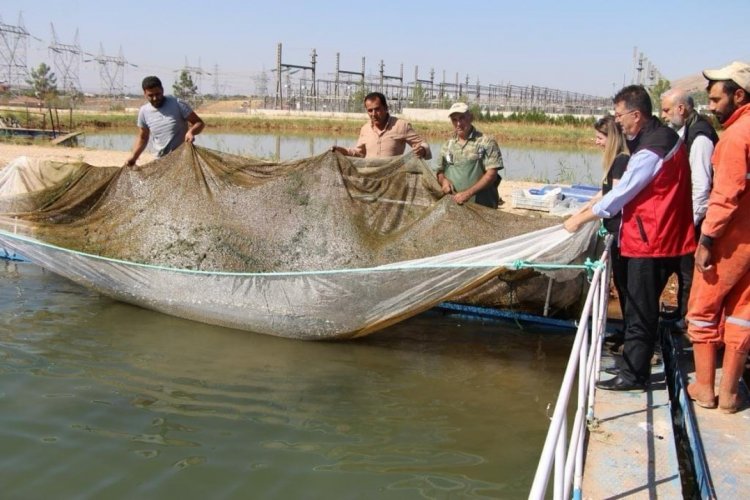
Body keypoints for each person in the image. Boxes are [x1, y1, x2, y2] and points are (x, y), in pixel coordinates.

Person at [564, 85, 695, 391]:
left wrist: (581, 218)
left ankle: (634, 375)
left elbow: (621, 194)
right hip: (652, 236)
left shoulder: (653, 148)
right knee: (640, 307)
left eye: (620, 115)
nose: (617, 121)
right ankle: (633, 367)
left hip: (651, 240)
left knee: (640, 308)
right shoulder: (656, 138)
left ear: (637, 115)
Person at [686, 61, 750, 414]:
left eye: (714, 100)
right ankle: (730, 396)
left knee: (703, 311)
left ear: (738, 95)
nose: (710, 107)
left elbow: (725, 194)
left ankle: (706, 389)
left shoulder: (737, 137)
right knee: (743, 314)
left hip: (732, 240)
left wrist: (707, 239)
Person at [660, 89, 719, 328]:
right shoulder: (687, 132)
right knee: (681, 267)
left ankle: (688, 319)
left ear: (681, 109)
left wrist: (687, 222)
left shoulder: (700, 137)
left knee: (688, 271)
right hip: (690, 216)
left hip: (698, 218)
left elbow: (701, 188)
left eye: (666, 110)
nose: (663, 115)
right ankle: (682, 313)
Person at [573, 116, 630, 350]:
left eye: (599, 137)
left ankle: (631, 336)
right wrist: (584, 207)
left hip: (622, 233)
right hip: (615, 232)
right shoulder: (615, 161)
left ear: (612, 138)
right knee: (621, 283)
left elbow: (614, 199)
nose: (596, 142)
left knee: (626, 286)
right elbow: (603, 192)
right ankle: (627, 331)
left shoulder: (622, 161)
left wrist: (582, 218)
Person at [124, 76, 205, 167]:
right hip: (160, 160)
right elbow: (143, 137)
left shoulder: (177, 104)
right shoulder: (144, 111)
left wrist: (191, 132)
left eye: (158, 94)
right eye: (150, 95)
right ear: (145, 94)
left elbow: (199, 123)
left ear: (162, 90)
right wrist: (134, 157)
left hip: (182, 159)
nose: (155, 98)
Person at [435, 102, 504, 208]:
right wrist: (444, 181)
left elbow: (492, 174)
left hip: (482, 205)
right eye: (454, 120)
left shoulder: (486, 142)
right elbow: (439, 171)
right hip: (454, 205)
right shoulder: (447, 145)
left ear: (471, 117)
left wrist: (468, 193)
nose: (458, 123)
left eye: (462, 118)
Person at [330, 92, 431, 159]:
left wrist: (422, 150)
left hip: (394, 181)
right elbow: (360, 153)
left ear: (386, 108)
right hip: (370, 181)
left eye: (377, 109)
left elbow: (423, 144)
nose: (373, 114)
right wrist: (341, 151)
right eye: (370, 110)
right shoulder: (365, 129)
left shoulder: (401, 125)